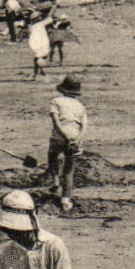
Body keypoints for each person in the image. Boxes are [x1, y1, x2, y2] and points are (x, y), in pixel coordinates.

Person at [46, 75, 87, 212]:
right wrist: (77, 139)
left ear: (63, 89)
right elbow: (84, 126)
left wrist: (65, 135)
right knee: (69, 171)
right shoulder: (80, 106)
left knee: (52, 156)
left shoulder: (56, 101)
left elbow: (56, 122)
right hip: (75, 137)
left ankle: (55, 180)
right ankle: (65, 200)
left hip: (60, 136)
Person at [27, 12, 52, 80]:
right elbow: (49, 19)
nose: (40, 18)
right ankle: (41, 74)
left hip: (38, 46)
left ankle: (37, 74)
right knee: (38, 60)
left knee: (37, 60)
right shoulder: (40, 24)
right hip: (42, 45)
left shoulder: (33, 27)